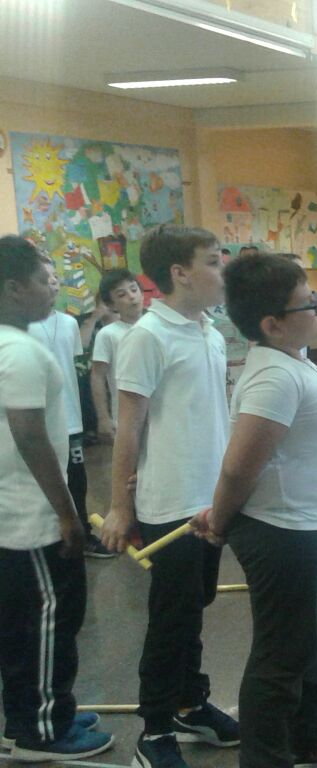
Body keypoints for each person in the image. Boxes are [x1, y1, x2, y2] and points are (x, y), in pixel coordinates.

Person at [188, 254, 317, 768]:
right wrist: (220, 520)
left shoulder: (293, 361)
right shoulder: (273, 377)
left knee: (313, 644)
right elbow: (238, 468)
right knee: (282, 657)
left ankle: (311, 738)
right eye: (308, 304)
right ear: (272, 324)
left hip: (312, 525)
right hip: (284, 532)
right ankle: (266, 758)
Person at [99, 225, 239, 768]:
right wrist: (120, 505)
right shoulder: (148, 337)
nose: (222, 271)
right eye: (213, 262)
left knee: (196, 606)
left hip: (211, 498)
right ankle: (155, 731)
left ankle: (189, 704)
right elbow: (128, 427)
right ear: (180, 273)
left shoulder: (211, 331)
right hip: (171, 502)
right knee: (171, 617)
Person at [0, 236, 114, 762]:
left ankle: (32, 712)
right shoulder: (21, 352)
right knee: (49, 619)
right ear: (13, 288)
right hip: (30, 517)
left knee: (20, 623)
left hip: (11, 513)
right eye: (44, 280)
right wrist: (68, 513)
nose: (54, 288)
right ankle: (41, 729)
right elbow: (28, 435)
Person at [27, 294, 101, 558]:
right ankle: (52, 537)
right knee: (45, 479)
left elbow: (73, 364)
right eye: (43, 279)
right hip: (39, 420)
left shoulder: (69, 323)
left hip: (70, 417)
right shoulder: (21, 327)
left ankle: (84, 535)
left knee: (76, 479)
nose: (50, 285)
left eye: (52, 279)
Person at [90, 269, 143, 446]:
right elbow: (97, 376)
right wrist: (103, 418)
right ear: (112, 305)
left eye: (134, 289)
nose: (132, 297)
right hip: (126, 416)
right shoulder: (108, 334)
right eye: (122, 294)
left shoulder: (158, 327)